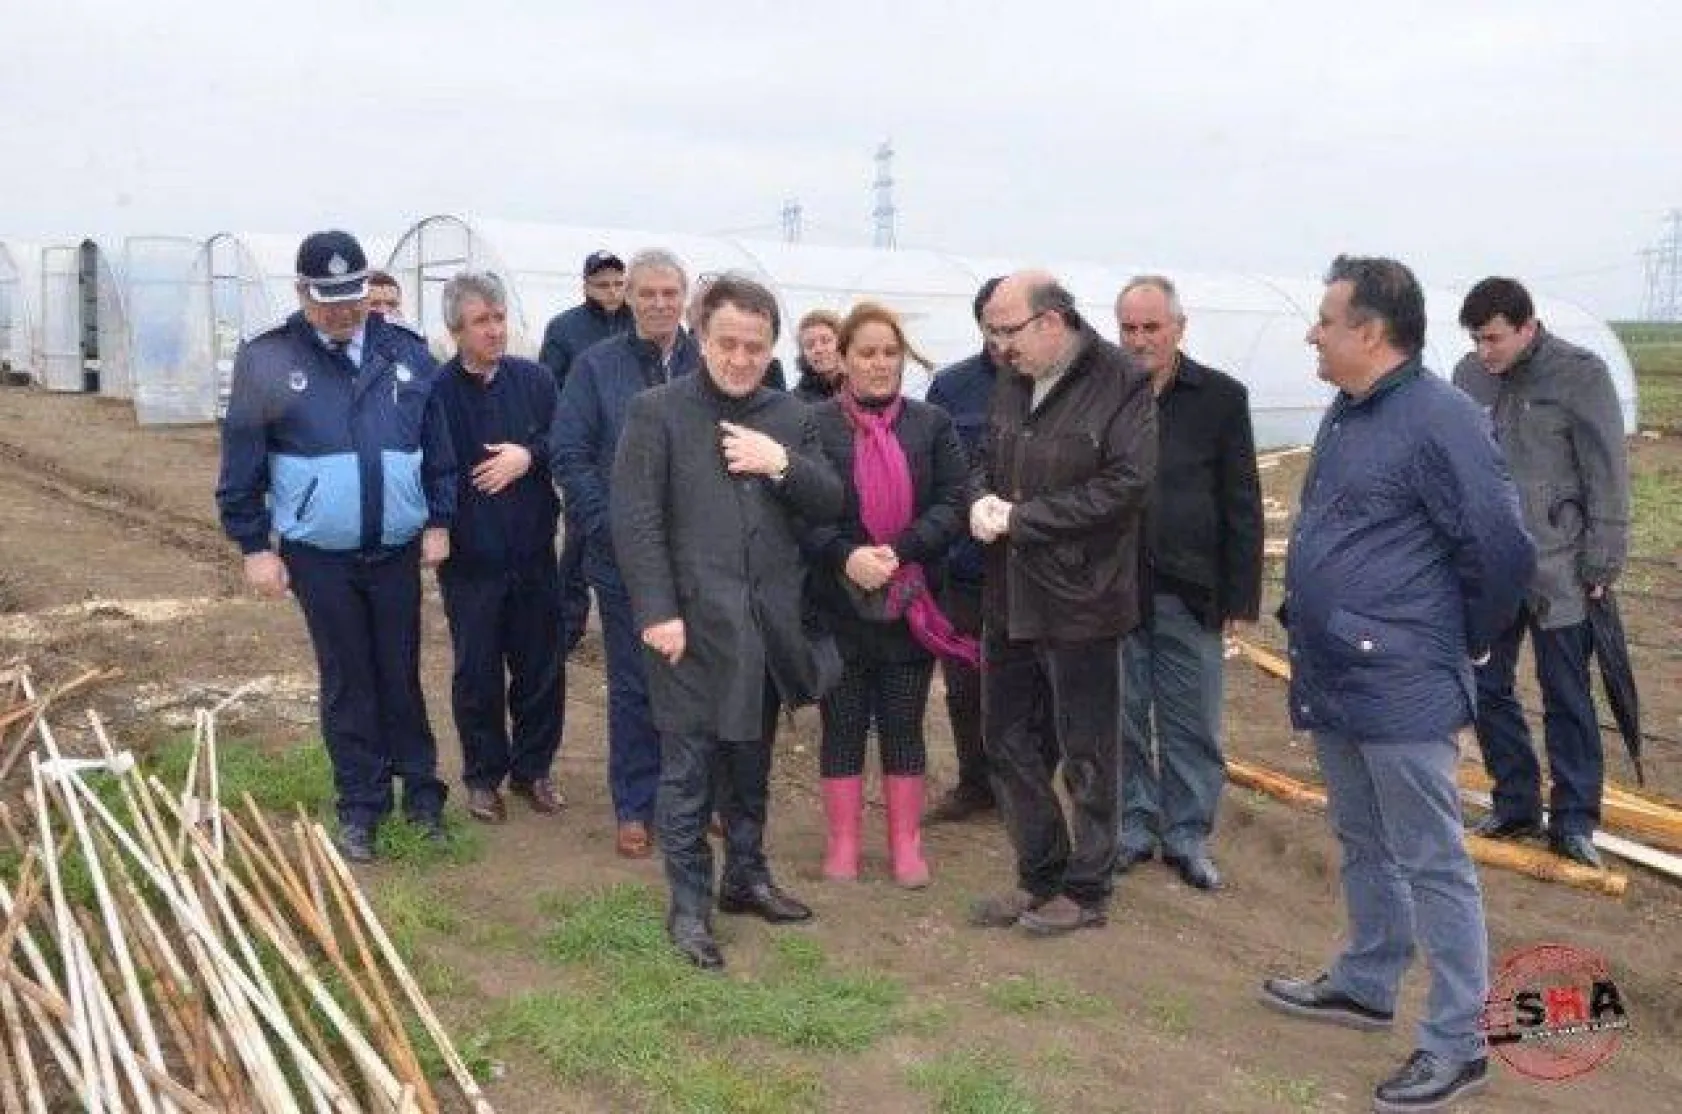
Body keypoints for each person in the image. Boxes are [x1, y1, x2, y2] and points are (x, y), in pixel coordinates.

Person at [1261, 256, 1535, 1114]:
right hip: (1341, 666)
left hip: (1403, 675)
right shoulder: (1350, 411)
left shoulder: (1440, 418)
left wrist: (1461, 642)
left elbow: (1501, 550)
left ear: (1370, 332)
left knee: (1432, 858)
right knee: (1363, 836)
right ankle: (1367, 979)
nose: (1313, 331)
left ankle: (1459, 1043)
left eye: (1325, 318)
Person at [611, 274, 843, 970]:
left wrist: (783, 465)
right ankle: (689, 906)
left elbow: (831, 501)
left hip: (765, 628)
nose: (741, 358)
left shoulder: (792, 415)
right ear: (701, 337)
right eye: (727, 343)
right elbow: (637, 520)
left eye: (755, 345)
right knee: (687, 772)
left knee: (750, 761)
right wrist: (656, 611)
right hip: (688, 626)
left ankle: (745, 875)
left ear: (772, 345)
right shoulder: (658, 411)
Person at [215, 230, 456, 863]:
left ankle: (422, 795)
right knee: (348, 677)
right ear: (301, 292)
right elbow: (242, 462)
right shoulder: (266, 360)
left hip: (397, 547)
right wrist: (253, 545)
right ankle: (362, 804)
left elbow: (437, 445)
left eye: (354, 296)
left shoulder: (404, 352)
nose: (345, 311)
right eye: (330, 299)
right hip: (319, 555)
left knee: (400, 671)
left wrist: (439, 519)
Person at [966, 270, 1156, 937]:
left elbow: (1126, 485)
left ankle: (1088, 887)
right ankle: (1040, 874)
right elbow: (987, 455)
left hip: (1084, 598)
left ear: (1051, 322)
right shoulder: (1014, 378)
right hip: (1008, 594)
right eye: (989, 332)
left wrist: (1025, 519)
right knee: (1006, 738)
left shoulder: (1120, 382)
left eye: (1005, 331)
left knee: (1088, 750)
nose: (997, 347)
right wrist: (981, 497)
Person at [1452, 277, 1631, 870]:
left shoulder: (1581, 376)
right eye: (1477, 339)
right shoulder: (1468, 378)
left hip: (1562, 570)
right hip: (1494, 566)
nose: (1484, 352)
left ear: (1527, 326)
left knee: (1567, 695)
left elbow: (1608, 474)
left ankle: (1575, 818)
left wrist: (1602, 560)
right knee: (1486, 686)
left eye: (1494, 339)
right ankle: (1516, 802)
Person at [804, 302, 973, 887]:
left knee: (903, 723)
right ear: (843, 360)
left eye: (888, 353)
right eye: (866, 353)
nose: (878, 364)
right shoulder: (816, 426)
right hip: (839, 601)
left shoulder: (932, 425)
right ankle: (844, 844)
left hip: (911, 599)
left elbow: (955, 502)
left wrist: (899, 552)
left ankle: (905, 845)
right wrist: (847, 555)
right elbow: (803, 509)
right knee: (843, 723)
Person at [1112, 275, 1263, 892]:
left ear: (1179, 328)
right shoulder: (1101, 394)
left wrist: (1240, 594)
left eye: (1152, 327)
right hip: (1114, 589)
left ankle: (1187, 833)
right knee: (1119, 713)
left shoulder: (1220, 398)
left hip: (1190, 587)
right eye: (1129, 328)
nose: (1141, 339)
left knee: (1191, 720)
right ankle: (1131, 825)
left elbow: (1242, 501)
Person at [551, 248, 699, 858]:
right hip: (621, 561)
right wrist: (609, 525)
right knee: (635, 682)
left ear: (684, 297)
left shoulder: (708, 360)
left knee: (698, 681)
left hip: (698, 557)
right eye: (648, 293)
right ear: (628, 298)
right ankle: (635, 804)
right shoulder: (596, 367)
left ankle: (692, 800)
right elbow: (570, 453)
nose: (660, 303)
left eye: (670, 293)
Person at [431, 272, 566, 824]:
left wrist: (528, 456)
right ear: (455, 329)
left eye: (499, 318)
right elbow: (431, 464)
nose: (494, 330)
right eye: (481, 321)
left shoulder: (534, 381)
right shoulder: (437, 391)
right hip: (472, 561)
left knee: (541, 667)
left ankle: (533, 769)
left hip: (534, 552)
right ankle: (483, 775)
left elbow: (566, 441)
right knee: (478, 671)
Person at [923, 276, 1009, 824]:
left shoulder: (1053, 383)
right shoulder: (952, 387)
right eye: (994, 326)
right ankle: (974, 782)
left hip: (1033, 566)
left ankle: (1020, 785)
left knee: (1027, 682)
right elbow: (933, 468)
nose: (1004, 338)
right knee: (963, 681)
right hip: (966, 564)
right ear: (980, 324)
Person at [539, 250, 634, 659]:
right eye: (602, 284)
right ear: (585, 286)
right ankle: (566, 626)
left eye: (618, 282)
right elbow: (550, 386)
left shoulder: (641, 323)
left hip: (635, 449)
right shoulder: (565, 328)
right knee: (581, 539)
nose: (612, 291)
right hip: (590, 452)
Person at [791, 310, 845, 403]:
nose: (818, 349)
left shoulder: (864, 390)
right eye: (809, 345)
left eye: (825, 341)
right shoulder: (794, 402)